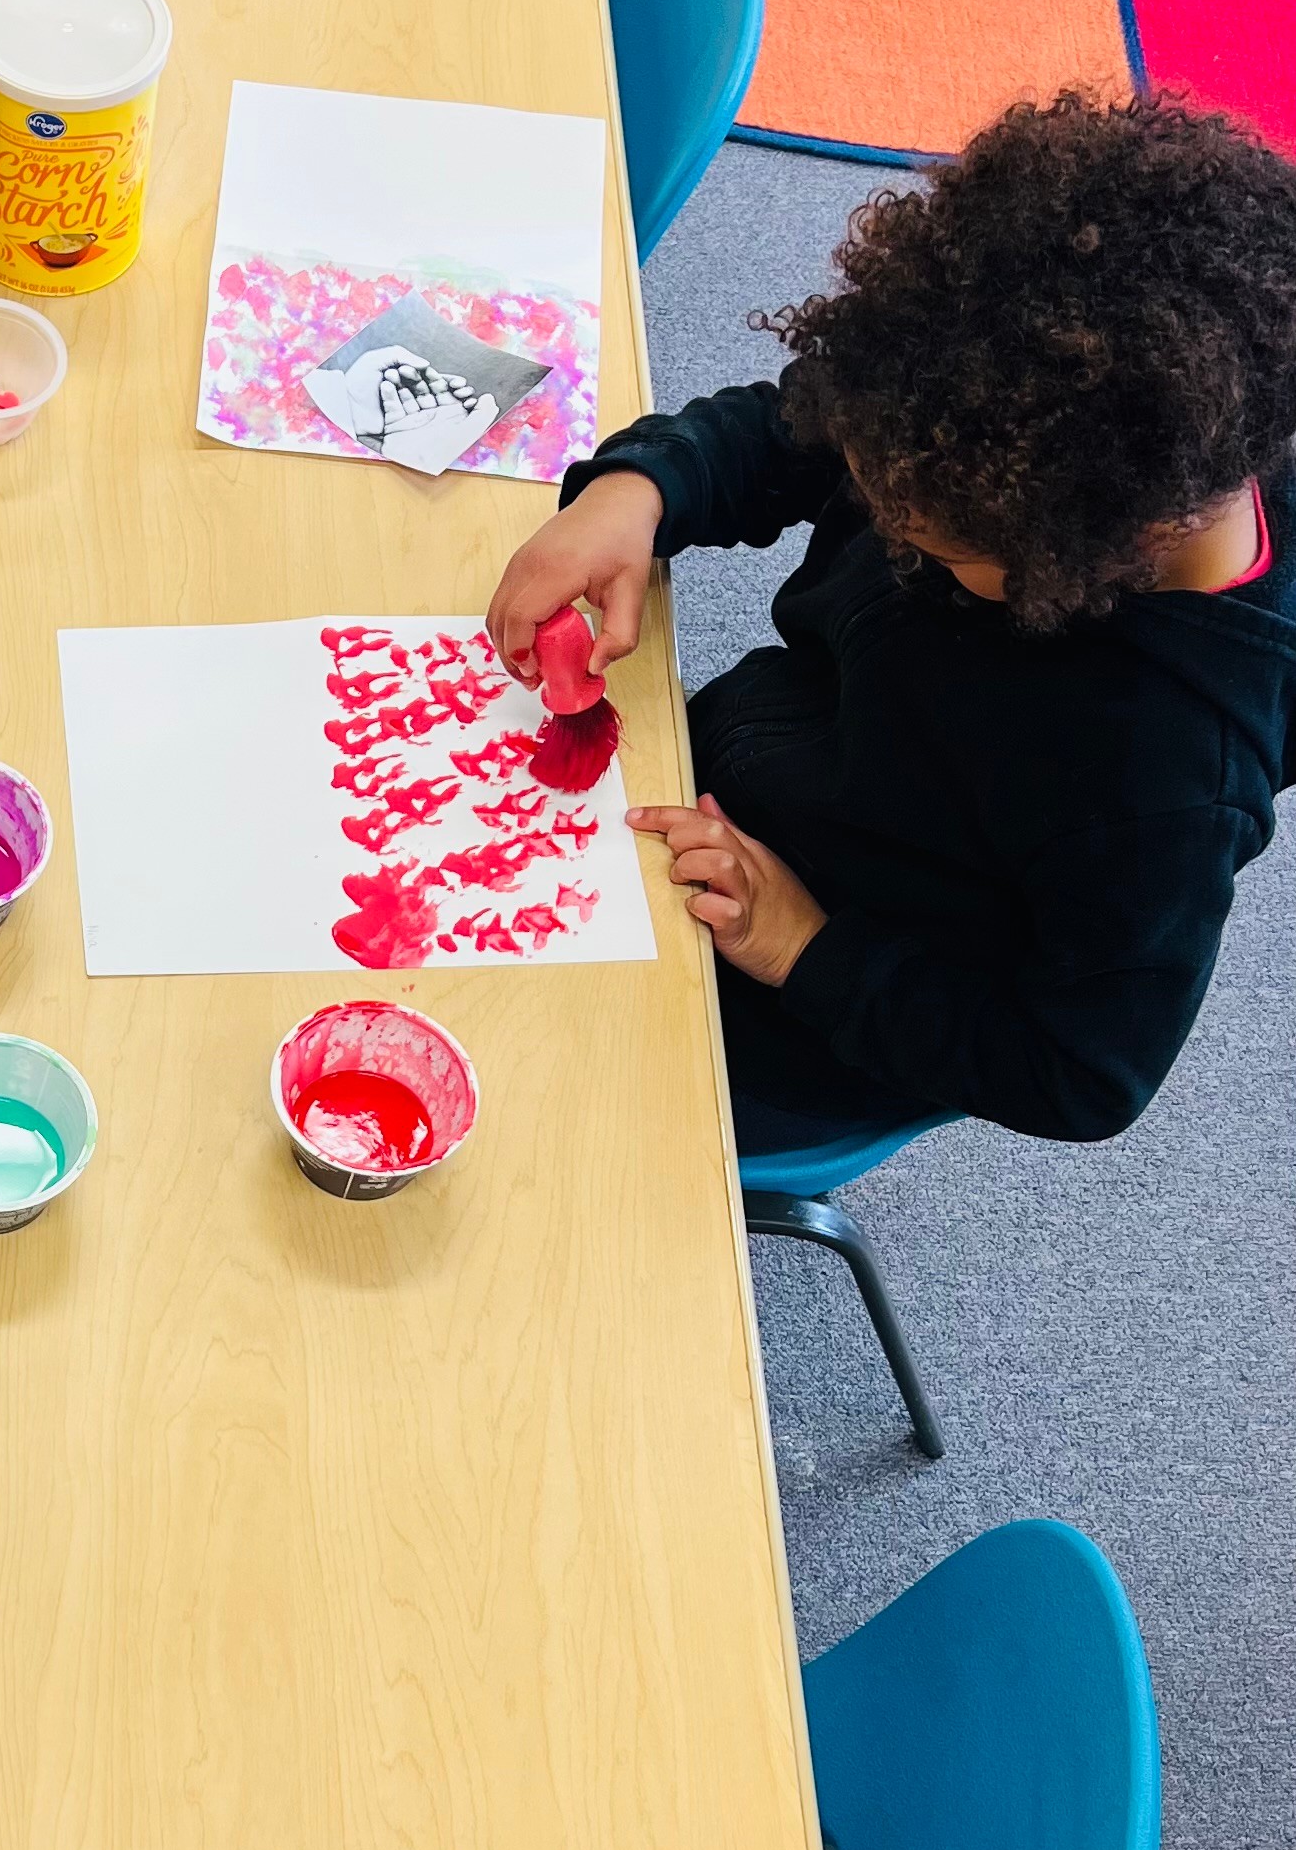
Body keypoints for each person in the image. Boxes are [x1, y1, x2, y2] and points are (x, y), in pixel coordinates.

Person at [488, 91, 1296, 1152]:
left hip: (795, 1013)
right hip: (733, 775)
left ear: (1074, 560)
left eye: (929, 543)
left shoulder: (1165, 786)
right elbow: (797, 428)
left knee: (507, 1086)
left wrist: (805, 948)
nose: (883, 515)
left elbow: (1083, 1074)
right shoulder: (959, 406)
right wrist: (642, 488)